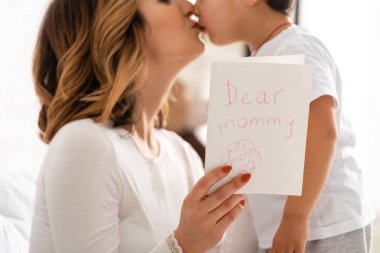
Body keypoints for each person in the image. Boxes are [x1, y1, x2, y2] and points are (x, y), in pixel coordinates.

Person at [29, 0, 254, 252]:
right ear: (118, 27)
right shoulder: (84, 144)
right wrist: (183, 244)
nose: (190, 6)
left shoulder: (181, 153)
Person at [194, 0, 376, 252]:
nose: (195, 7)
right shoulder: (264, 59)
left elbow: (323, 133)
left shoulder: (296, 46)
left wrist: (295, 217)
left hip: (323, 224)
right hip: (284, 229)